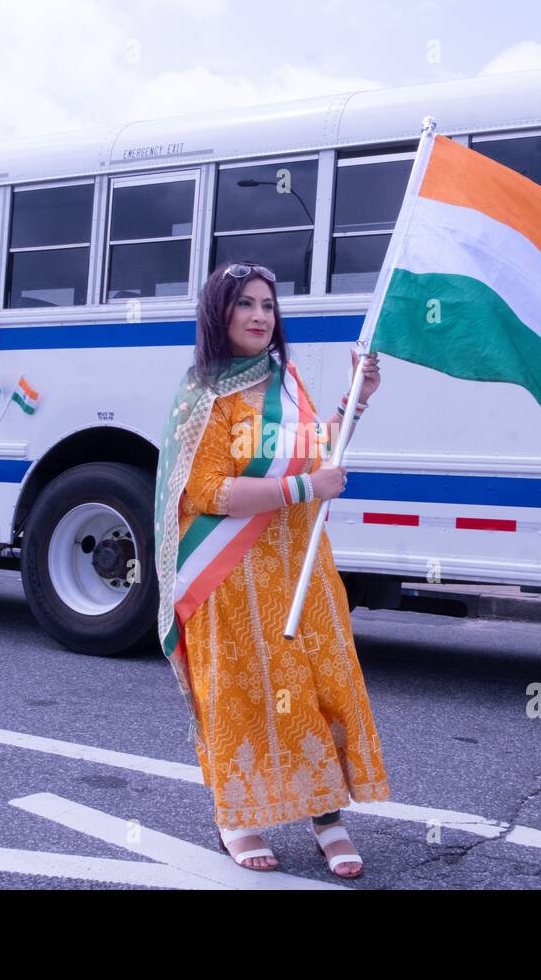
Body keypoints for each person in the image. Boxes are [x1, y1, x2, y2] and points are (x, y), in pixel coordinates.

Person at [153, 260, 391, 877]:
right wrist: (303, 489)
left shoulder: (286, 383)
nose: (260, 316)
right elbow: (206, 492)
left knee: (317, 688)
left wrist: (356, 399)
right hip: (230, 575)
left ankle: (328, 817)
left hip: (301, 568)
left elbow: (323, 448)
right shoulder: (202, 395)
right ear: (219, 314)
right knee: (242, 693)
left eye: (267, 305)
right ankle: (238, 816)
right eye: (245, 305)